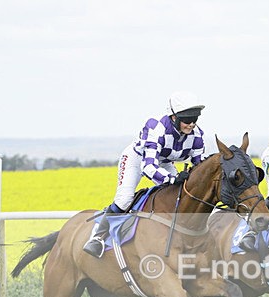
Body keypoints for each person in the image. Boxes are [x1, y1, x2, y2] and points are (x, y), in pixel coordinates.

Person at [83, 91, 206, 258]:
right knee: (124, 199)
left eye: (195, 119)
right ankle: (97, 236)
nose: (191, 124)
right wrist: (172, 178)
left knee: (179, 196)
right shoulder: (157, 129)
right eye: (187, 119)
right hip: (137, 159)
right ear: (174, 117)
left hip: (163, 162)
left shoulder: (197, 136)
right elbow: (148, 167)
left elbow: (199, 165)